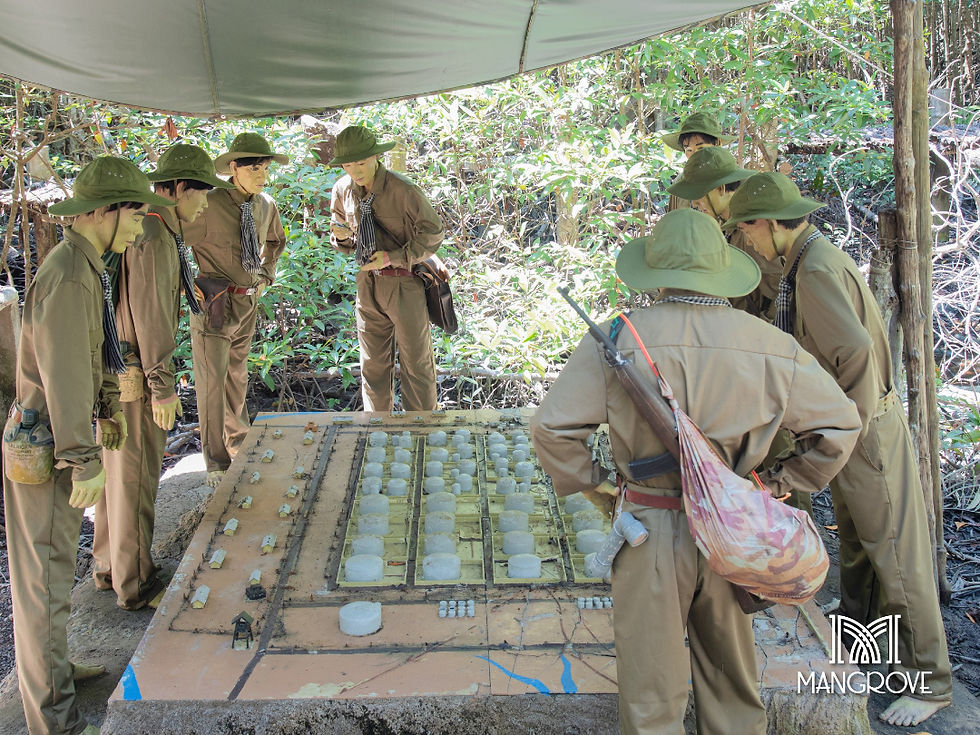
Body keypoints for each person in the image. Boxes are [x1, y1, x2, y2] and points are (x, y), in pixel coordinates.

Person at [530, 208, 861, 735]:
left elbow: (551, 430)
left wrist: (598, 486)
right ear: (721, 272)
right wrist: (777, 486)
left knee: (650, 699)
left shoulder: (621, 338)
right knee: (733, 688)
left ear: (656, 272)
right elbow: (841, 426)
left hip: (648, 530)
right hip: (739, 532)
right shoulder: (769, 344)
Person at [724, 172, 953, 727]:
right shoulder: (803, 259)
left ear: (770, 224)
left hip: (863, 427)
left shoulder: (817, 270)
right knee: (857, 542)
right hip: (849, 423)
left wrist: (838, 434)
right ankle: (857, 628)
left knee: (896, 556)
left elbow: (855, 359)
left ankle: (933, 681)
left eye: (747, 229)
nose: (746, 241)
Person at [3, 156, 173, 735]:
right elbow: (63, 373)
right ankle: (53, 718)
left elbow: (90, 358)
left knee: (52, 574)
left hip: (61, 438)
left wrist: (102, 417)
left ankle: (55, 675)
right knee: (42, 583)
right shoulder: (71, 274)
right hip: (46, 445)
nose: (141, 226)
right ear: (104, 211)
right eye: (134, 214)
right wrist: (82, 460)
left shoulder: (88, 264)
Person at [92, 144, 234, 609]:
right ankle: (136, 584)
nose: (204, 203)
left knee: (118, 475)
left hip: (116, 364)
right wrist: (162, 385)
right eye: (199, 193)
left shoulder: (152, 230)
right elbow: (151, 316)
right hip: (135, 371)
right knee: (135, 477)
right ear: (174, 189)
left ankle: (109, 566)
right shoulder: (154, 236)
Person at [184, 133, 288, 487]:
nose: (261, 175)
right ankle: (215, 463)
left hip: (247, 301)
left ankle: (239, 445)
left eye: (265, 168)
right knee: (212, 384)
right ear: (234, 168)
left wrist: (266, 274)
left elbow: (276, 240)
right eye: (254, 168)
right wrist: (187, 282)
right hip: (214, 302)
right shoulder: (208, 204)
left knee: (236, 379)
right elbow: (172, 240)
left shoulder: (264, 205)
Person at [328, 125, 444, 412]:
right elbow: (342, 236)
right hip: (367, 285)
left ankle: (422, 435)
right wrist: (341, 238)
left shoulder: (402, 189)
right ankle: (376, 432)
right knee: (373, 367)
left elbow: (433, 234)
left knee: (416, 364)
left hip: (404, 283)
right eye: (348, 164)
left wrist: (393, 257)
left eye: (361, 162)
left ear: (376, 157)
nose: (355, 170)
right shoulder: (342, 190)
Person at [663, 111, 736, 213]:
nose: (695, 156)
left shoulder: (733, 181)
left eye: (701, 148)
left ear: (717, 144)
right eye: (689, 150)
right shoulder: (680, 184)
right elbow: (674, 223)